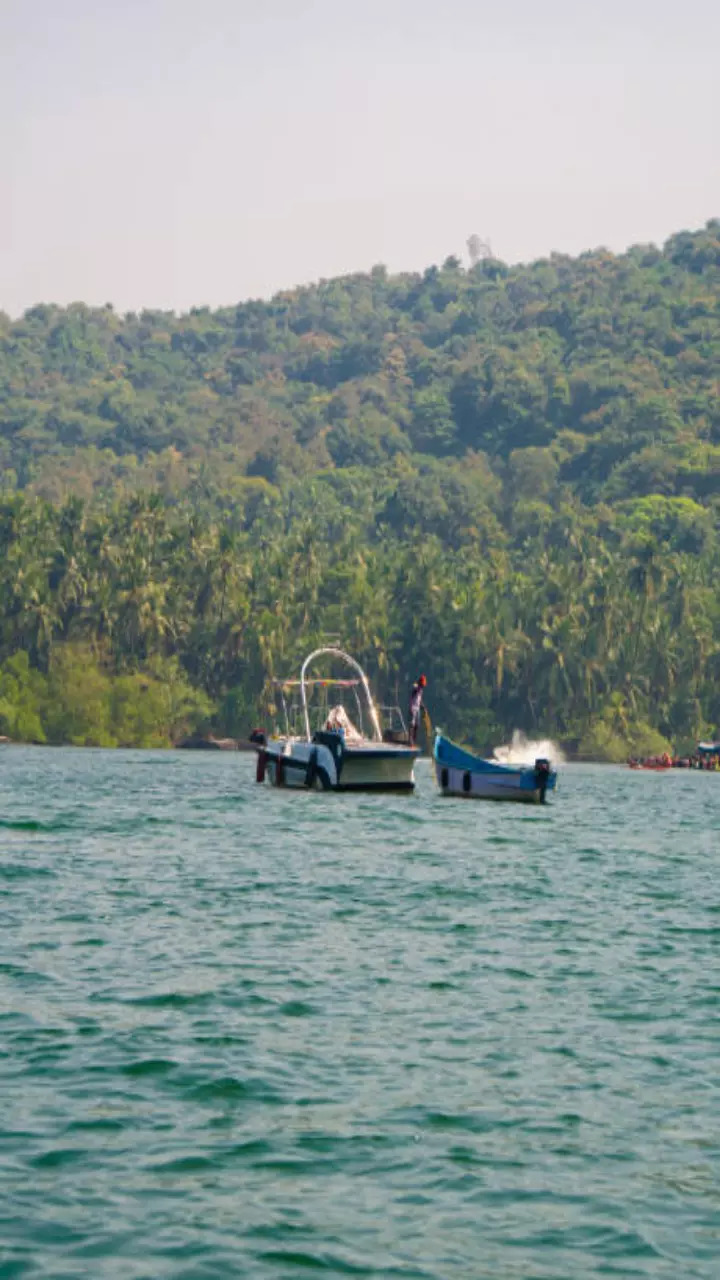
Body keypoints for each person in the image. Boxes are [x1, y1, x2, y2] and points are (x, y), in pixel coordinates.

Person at [408, 674, 427, 747]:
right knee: (411, 725)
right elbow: (412, 696)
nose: (423, 686)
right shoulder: (415, 688)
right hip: (412, 708)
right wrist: (411, 708)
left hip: (417, 708)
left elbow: (419, 700)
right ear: (420, 683)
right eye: (422, 684)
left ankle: (413, 741)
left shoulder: (421, 690)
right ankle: (410, 742)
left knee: (417, 726)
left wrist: (423, 707)